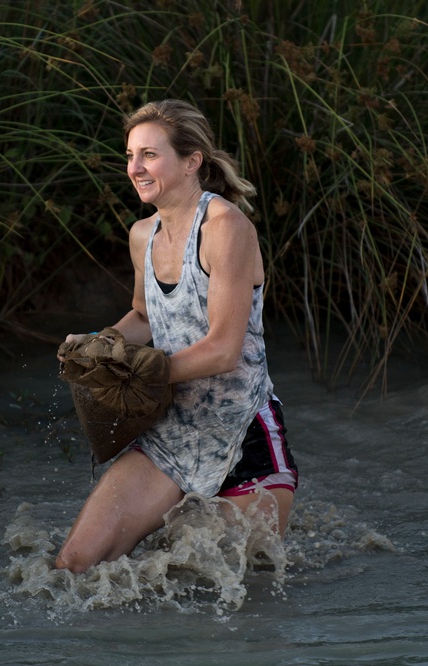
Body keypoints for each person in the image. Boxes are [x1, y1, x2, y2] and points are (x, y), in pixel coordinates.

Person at [55, 99, 298, 574]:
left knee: (199, 580)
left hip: (243, 435)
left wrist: (139, 374)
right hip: (170, 430)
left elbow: (225, 350)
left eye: (149, 154)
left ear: (192, 162)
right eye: (129, 155)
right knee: (74, 565)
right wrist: (95, 346)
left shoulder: (226, 227)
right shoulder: (142, 234)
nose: (134, 168)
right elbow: (144, 316)